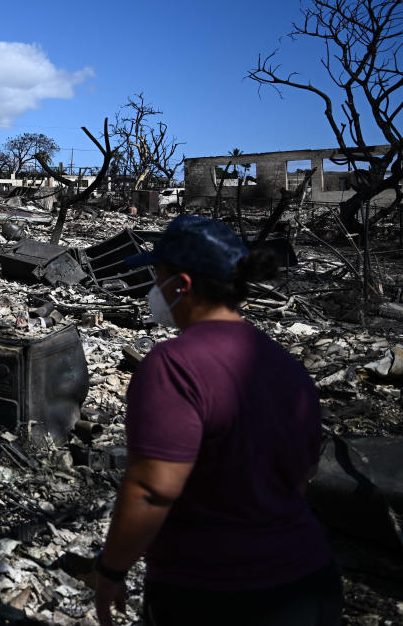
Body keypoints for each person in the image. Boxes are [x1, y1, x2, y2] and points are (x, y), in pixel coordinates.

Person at [93, 215, 340, 626]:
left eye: (158, 277)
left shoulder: (173, 366)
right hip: (309, 583)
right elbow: (303, 473)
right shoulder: (286, 365)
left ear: (182, 285)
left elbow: (152, 490)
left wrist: (111, 571)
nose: (153, 289)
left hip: (216, 595)